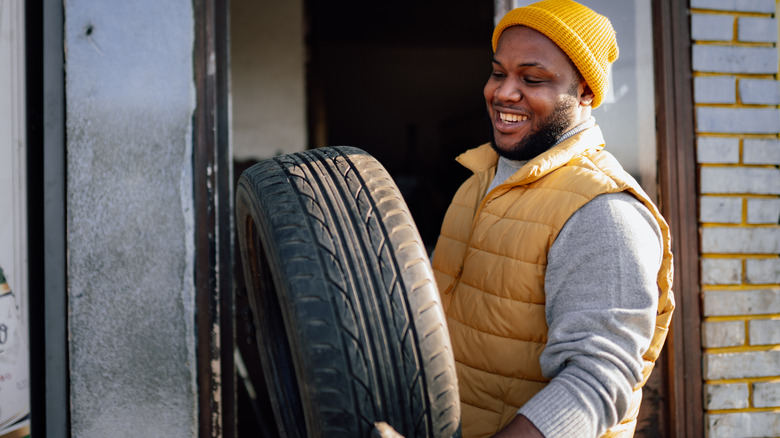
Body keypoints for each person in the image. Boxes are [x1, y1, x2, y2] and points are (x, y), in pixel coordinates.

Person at [429, 1, 675, 437]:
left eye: (533, 78)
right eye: (498, 72)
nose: (504, 92)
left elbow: (598, 381)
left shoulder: (602, 210)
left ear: (584, 91)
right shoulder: (477, 182)